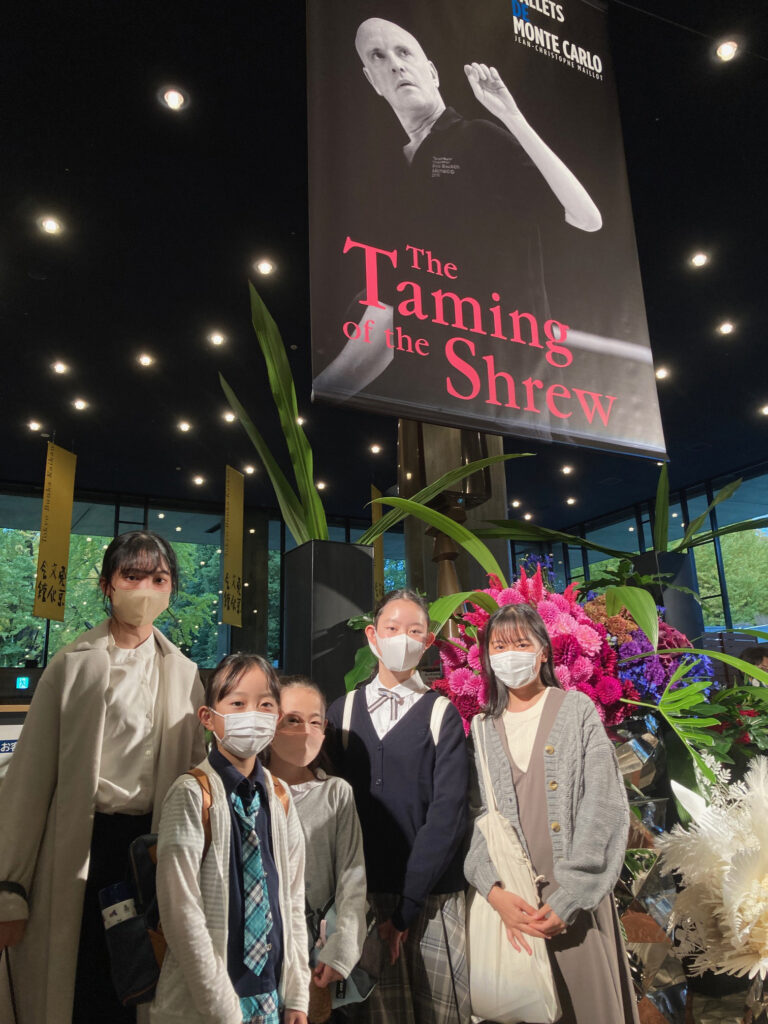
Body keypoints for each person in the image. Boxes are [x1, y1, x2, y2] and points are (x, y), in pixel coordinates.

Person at [313, 17, 602, 400]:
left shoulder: (477, 136)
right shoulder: (390, 173)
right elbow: (390, 306)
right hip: (443, 387)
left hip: (511, 387)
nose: (396, 65)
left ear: (432, 72)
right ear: (372, 81)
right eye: (378, 57)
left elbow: (587, 218)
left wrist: (512, 117)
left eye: (404, 52)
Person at [0, 530, 205, 1024]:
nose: (145, 589)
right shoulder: (72, 665)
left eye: (159, 579)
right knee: (83, 981)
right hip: (81, 845)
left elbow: (195, 777)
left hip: (149, 847)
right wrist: (10, 888)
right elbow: (28, 782)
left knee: (141, 985)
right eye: (131, 576)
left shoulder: (184, 672)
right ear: (107, 584)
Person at [464, 603, 639, 1024]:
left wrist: (571, 897)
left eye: (521, 644)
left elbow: (604, 806)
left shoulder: (576, 709)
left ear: (543, 651)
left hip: (574, 901)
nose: (510, 654)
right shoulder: (481, 728)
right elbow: (472, 816)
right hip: (514, 906)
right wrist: (495, 893)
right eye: (499, 646)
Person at [325, 589, 470, 1024]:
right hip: (362, 896)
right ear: (372, 635)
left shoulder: (441, 713)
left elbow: (448, 813)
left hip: (432, 897)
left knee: (439, 1011)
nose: (402, 638)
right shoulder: (342, 712)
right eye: (391, 628)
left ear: (428, 642)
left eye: (414, 631)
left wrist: (408, 905)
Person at [151, 654, 309, 1024]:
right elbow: (180, 913)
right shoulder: (191, 794)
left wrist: (298, 995)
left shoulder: (280, 796)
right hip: (207, 1005)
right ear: (208, 717)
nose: (252, 713)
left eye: (265, 704)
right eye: (237, 703)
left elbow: (293, 899)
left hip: (271, 998)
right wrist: (223, 1009)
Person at [265, 675, 367, 1022]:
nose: (304, 731)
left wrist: (342, 950)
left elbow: (352, 878)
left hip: (315, 956)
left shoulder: (335, 793)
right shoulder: (246, 790)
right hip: (258, 955)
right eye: (292, 720)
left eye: (314, 722)